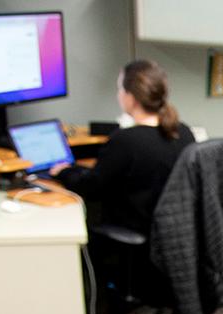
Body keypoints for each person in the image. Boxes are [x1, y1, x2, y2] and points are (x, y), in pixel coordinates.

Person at [50, 59, 194, 235]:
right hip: (173, 233)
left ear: (131, 97)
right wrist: (77, 169)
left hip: (135, 230)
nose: (118, 94)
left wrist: (64, 172)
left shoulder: (126, 141)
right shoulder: (184, 132)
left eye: (120, 89)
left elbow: (92, 187)